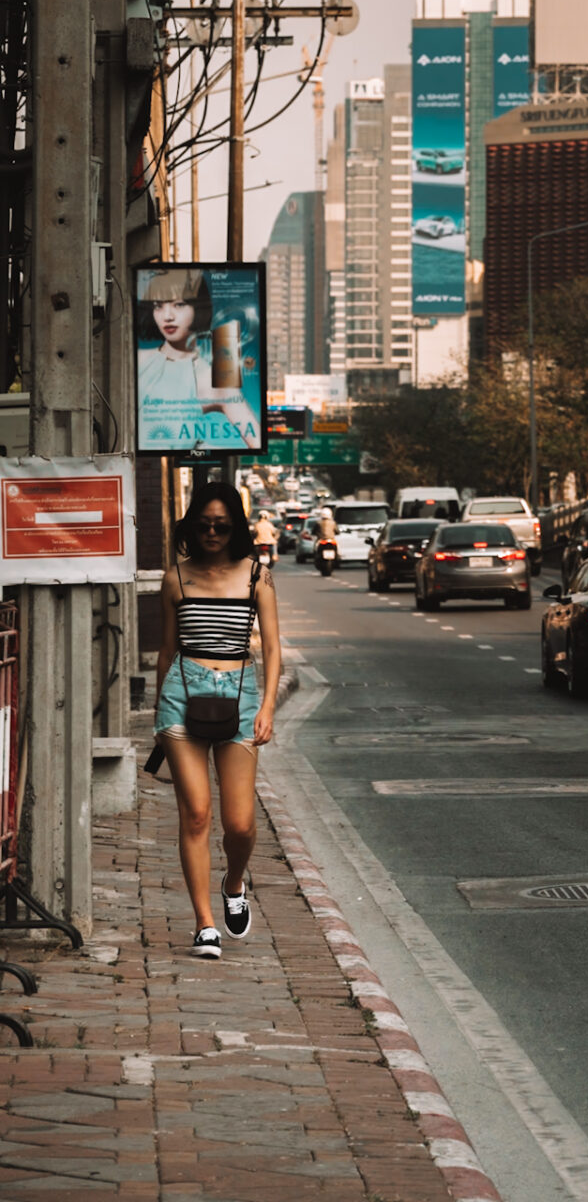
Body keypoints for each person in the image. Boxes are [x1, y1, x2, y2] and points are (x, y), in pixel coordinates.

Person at [154, 482, 281, 961]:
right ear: (191, 526)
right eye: (204, 524)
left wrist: (267, 707)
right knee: (196, 813)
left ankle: (233, 882)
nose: (212, 532)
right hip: (182, 695)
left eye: (222, 526)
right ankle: (205, 924)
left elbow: (273, 648)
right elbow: (167, 649)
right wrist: (159, 713)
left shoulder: (257, 577)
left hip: (240, 696)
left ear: (236, 529)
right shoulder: (175, 579)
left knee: (240, 824)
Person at [136, 268, 260, 452]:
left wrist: (202, 446)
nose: (167, 316)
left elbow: (257, 441)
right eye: (158, 306)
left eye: (179, 304)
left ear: (198, 308)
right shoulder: (139, 359)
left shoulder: (208, 378)